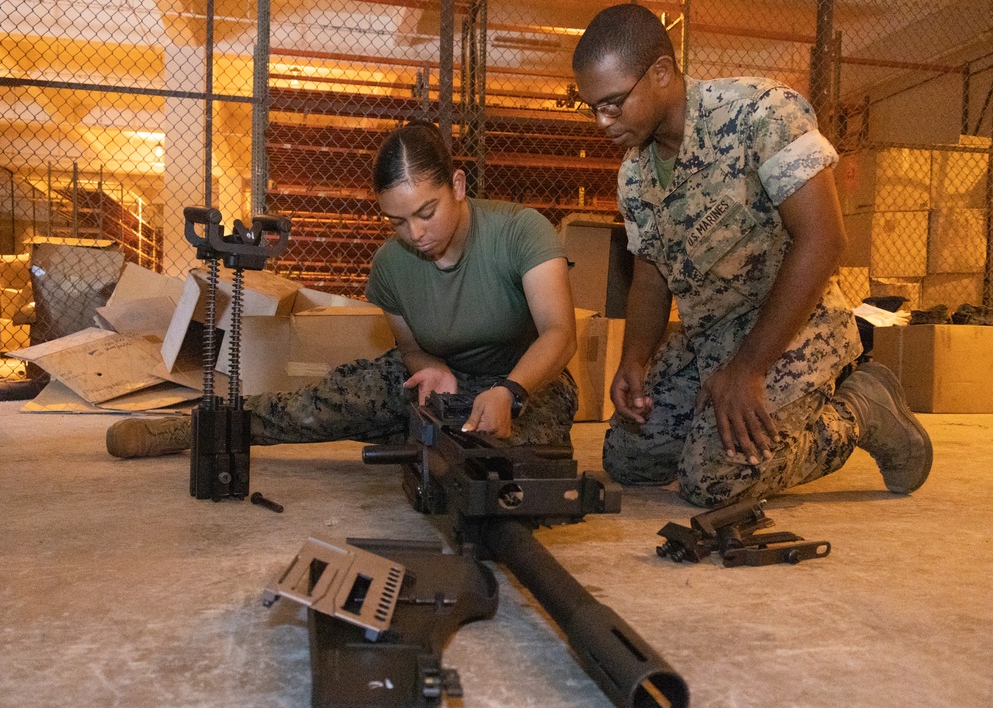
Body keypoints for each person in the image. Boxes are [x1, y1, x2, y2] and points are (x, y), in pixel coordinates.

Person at [571, 4, 932, 508]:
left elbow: (824, 239)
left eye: (612, 104)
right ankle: (723, 416)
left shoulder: (761, 113)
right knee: (630, 462)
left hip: (792, 330)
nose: (601, 121)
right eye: (591, 106)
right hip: (709, 339)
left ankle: (860, 410)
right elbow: (651, 276)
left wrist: (748, 369)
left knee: (713, 483)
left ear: (660, 72)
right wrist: (633, 358)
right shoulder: (634, 174)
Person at [106, 121, 578, 458]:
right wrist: (431, 368)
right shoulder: (391, 266)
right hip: (444, 383)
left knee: (503, 459)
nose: (414, 233)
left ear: (457, 184)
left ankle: (415, 439)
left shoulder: (522, 231)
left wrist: (509, 391)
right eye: (397, 221)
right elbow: (410, 348)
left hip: (526, 383)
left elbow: (559, 333)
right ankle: (189, 431)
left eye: (426, 212)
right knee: (316, 408)